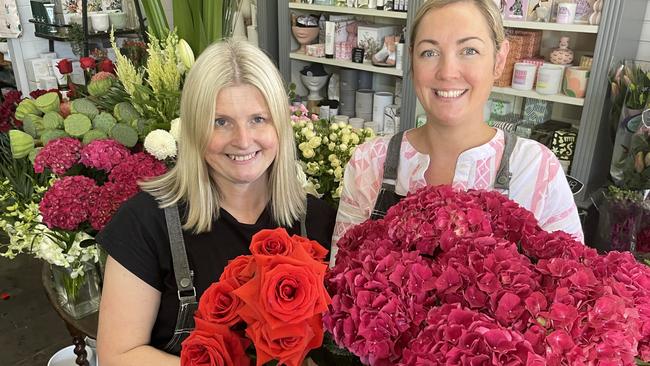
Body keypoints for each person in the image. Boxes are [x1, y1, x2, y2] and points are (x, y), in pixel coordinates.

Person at [96, 39, 336, 365]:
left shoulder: (317, 220)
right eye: (220, 122)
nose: (242, 140)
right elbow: (117, 356)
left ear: (280, 125)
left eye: (258, 119)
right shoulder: (146, 223)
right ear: (195, 129)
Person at [332, 0, 584, 262]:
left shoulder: (536, 170)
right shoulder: (369, 163)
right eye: (429, 52)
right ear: (412, 62)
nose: (447, 72)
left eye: (469, 50)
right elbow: (339, 280)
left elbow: (573, 282)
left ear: (499, 60)